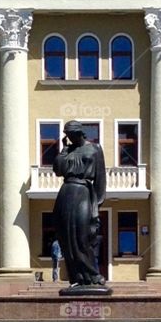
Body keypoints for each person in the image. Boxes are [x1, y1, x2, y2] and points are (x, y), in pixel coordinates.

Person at [52, 121, 108, 287]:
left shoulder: (95, 149)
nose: (68, 138)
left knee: (82, 237)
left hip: (84, 192)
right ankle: (77, 278)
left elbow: (100, 178)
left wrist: (96, 205)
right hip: (66, 192)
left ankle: (93, 275)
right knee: (66, 239)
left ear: (79, 133)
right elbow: (58, 170)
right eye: (66, 135)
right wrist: (63, 150)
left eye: (71, 135)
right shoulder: (68, 150)